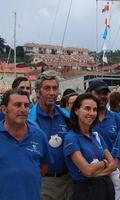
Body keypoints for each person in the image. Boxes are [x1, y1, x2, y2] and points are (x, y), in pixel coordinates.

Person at [28, 70, 73, 200]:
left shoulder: (66, 117)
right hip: (43, 182)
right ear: (37, 91)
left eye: (55, 88)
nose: (52, 93)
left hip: (67, 180)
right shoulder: (29, 119)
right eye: (47, 88)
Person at [0, 89, 51, 200]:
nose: (23, 110)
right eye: (18, 105)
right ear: (4, 109)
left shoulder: (39, 135)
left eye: (26, 105)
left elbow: (43, 167)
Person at [63, 93, 116, 200]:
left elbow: (113, 165)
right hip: (85, 192)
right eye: (87, 108)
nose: (91, 113)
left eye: (94, 109)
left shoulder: (97, 136)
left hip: (105, 189)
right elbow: (87, 170)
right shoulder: (71, 138)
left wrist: (95, 172)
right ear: (76, 111)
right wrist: (105, 163)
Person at [86, 79, 120, 200]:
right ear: (89, 93)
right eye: (98, 93)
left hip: (111, 172)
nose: (102, 96)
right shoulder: (85, 118)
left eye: (105, 93)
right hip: (89, 173)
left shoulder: (115, 118)